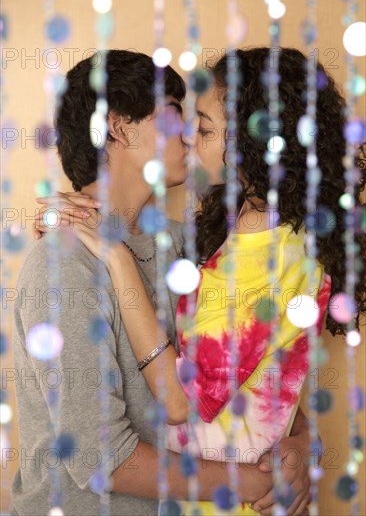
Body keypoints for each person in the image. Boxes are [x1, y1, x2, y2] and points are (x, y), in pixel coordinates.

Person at [12, 49, 313, 516]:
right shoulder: (63, 269)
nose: (192, 135)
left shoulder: (186, 250)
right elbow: (100, 459)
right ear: (119, 126)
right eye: (175, 114)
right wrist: (252, 483)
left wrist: (298, 443)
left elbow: (248, 374)